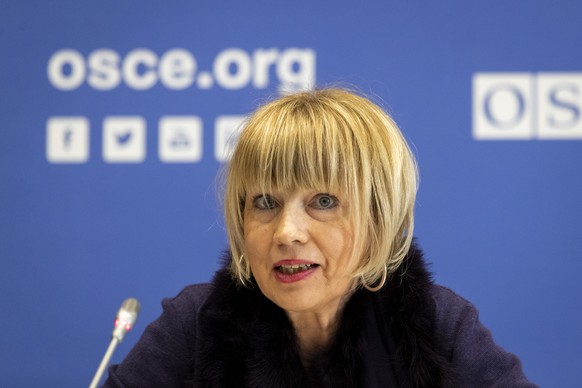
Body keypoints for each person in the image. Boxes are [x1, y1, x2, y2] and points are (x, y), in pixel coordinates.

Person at [104, 88, 537, 387]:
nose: (287, 232)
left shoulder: (440, 324)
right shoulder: (195, 323)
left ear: (378, 218)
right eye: (265, 203)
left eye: (324, 201)